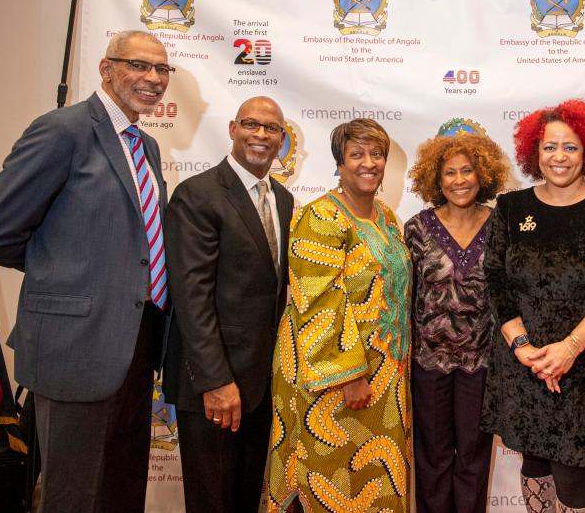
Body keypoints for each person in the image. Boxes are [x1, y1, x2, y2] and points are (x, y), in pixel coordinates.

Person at [0, 30, 172, 512]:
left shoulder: (145, 146)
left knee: (121, 490)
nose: (152, 78)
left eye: (161, 69)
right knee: (72, 498)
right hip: (74, 346)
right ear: (106, 69)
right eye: (138, 65)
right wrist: (67, 272)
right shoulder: (62, 130)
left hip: (136, 344)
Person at [481, 99, 585, 513]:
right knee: (533, 463)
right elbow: (497, 280)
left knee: (573, 478)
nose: (559, 157)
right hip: (525, 363)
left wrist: (568, 349)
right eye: (549, 147)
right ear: (534, 153)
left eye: (570, 147)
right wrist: (523, 348)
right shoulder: (511, 208)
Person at [266, 118, 412, 513]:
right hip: (332, 381)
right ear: (340, 163)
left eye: (376, 154)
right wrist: (350, 375)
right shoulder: (321, 217)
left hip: (385, 380)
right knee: (330, 477)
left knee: (376, 481)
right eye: (357, 154)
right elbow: (317, 301)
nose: (369, 163)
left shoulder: (385, 217)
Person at [162, 96, 294, 513]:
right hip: (213, 387)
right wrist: (216, 382)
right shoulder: (197, 195)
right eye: (251, 124)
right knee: (211, 502)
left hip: (261, 386)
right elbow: (190, 296)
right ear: (233, 129)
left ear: (281, 140)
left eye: (270, 129)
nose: (260, 135)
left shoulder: (284, 199)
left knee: (243, 499)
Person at [404, 132, 509, 513]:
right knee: (432, 458)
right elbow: (406, 295)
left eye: (468, 171)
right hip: (428, 363)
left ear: (483, 176)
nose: (460, 180)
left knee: (473, 457)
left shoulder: (501, 226)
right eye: (450, 173)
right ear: (436, 178)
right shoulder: (416, 228)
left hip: (481, 363)